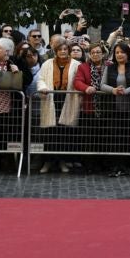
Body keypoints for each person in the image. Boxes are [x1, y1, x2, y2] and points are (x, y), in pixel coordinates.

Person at [33, 37, 94, 174]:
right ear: (55, 50)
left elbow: (79, 81)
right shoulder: (47, 63)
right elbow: (41, 79)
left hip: (68, 100)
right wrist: (42, 88)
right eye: (60, 49)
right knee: (49, 133)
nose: (63, 51)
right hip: (50, 99)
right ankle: (47, 162)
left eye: (65, 49)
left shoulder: (76, 64)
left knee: (64, 133)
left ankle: (62, 162)